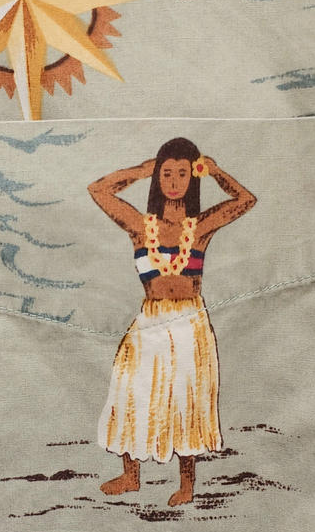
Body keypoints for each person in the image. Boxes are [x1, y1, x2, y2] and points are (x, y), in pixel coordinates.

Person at [88, 137, 256, 506]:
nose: (175, 181)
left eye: (183, 173)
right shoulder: (139, 225)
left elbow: (246, 200)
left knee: (185, 398)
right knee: (129, 389)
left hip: (188, 323)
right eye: (166, 173)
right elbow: (98, 190)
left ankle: (186, 484)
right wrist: (141, 170)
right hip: (151, 319)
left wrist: (216, 171)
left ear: (193, 177)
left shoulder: (200, 226)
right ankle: (131, 475)